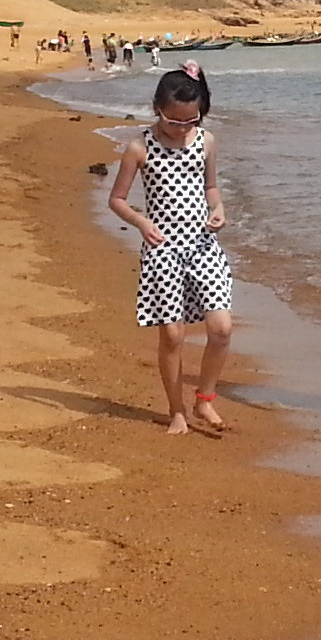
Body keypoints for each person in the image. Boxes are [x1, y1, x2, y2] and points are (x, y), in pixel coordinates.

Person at [107, 66, 234, 435]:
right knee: (173, 335)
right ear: (156, 109)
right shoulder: (139, 148)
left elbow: (210, 187)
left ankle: (204, 399)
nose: (181, 129)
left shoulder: (206, 141)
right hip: (162, 249)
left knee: (222, 327)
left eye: (189, 121)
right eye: (172, 121)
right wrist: (143, 223)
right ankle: (176, 410)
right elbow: (117, 200)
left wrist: (218, 209)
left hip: (202, 244)